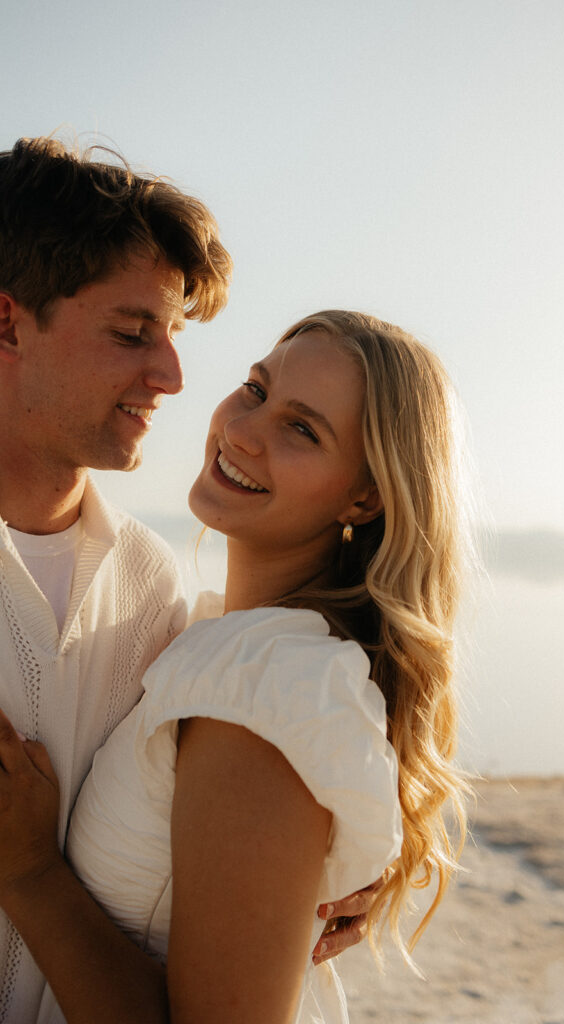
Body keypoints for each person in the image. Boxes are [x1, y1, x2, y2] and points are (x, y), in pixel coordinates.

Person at [0, 310, 474, 1024]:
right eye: (256, 390)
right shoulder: (220, 642)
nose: (243, 431)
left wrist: (32, 874)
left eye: (302, 430)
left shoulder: (264, 685)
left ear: (364, 497)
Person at [0, 138, 371, 1023]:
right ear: (8, 324)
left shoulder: (153, 588)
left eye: (171, 338)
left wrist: (325, 868)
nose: (170, 376)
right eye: (132, 334)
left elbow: (235, 787)